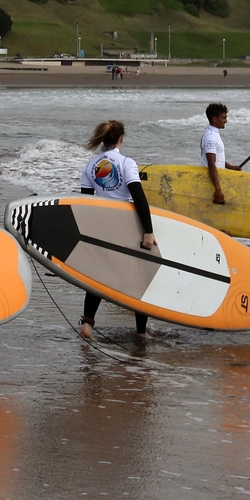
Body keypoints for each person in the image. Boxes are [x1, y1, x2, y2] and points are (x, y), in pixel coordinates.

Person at [78, 119, 154, 341]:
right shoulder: (127, 163)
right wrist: (148, 231)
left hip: (102, 224)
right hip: (127, 223)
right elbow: (138, 198)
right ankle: (141, 332)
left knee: (99, 276)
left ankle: (88, 325)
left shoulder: (90, 165)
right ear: (122, 138)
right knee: (140, 276)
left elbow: (85, 202)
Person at [201, 103, 233, 204]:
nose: (226, 121)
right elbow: (211, 163)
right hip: (212, 182)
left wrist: (230, 167)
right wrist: (217, 189)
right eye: (223, 118)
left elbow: (216, 158)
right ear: (214, 118)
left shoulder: (213, 133)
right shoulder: (211, 137)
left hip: (217, 178)